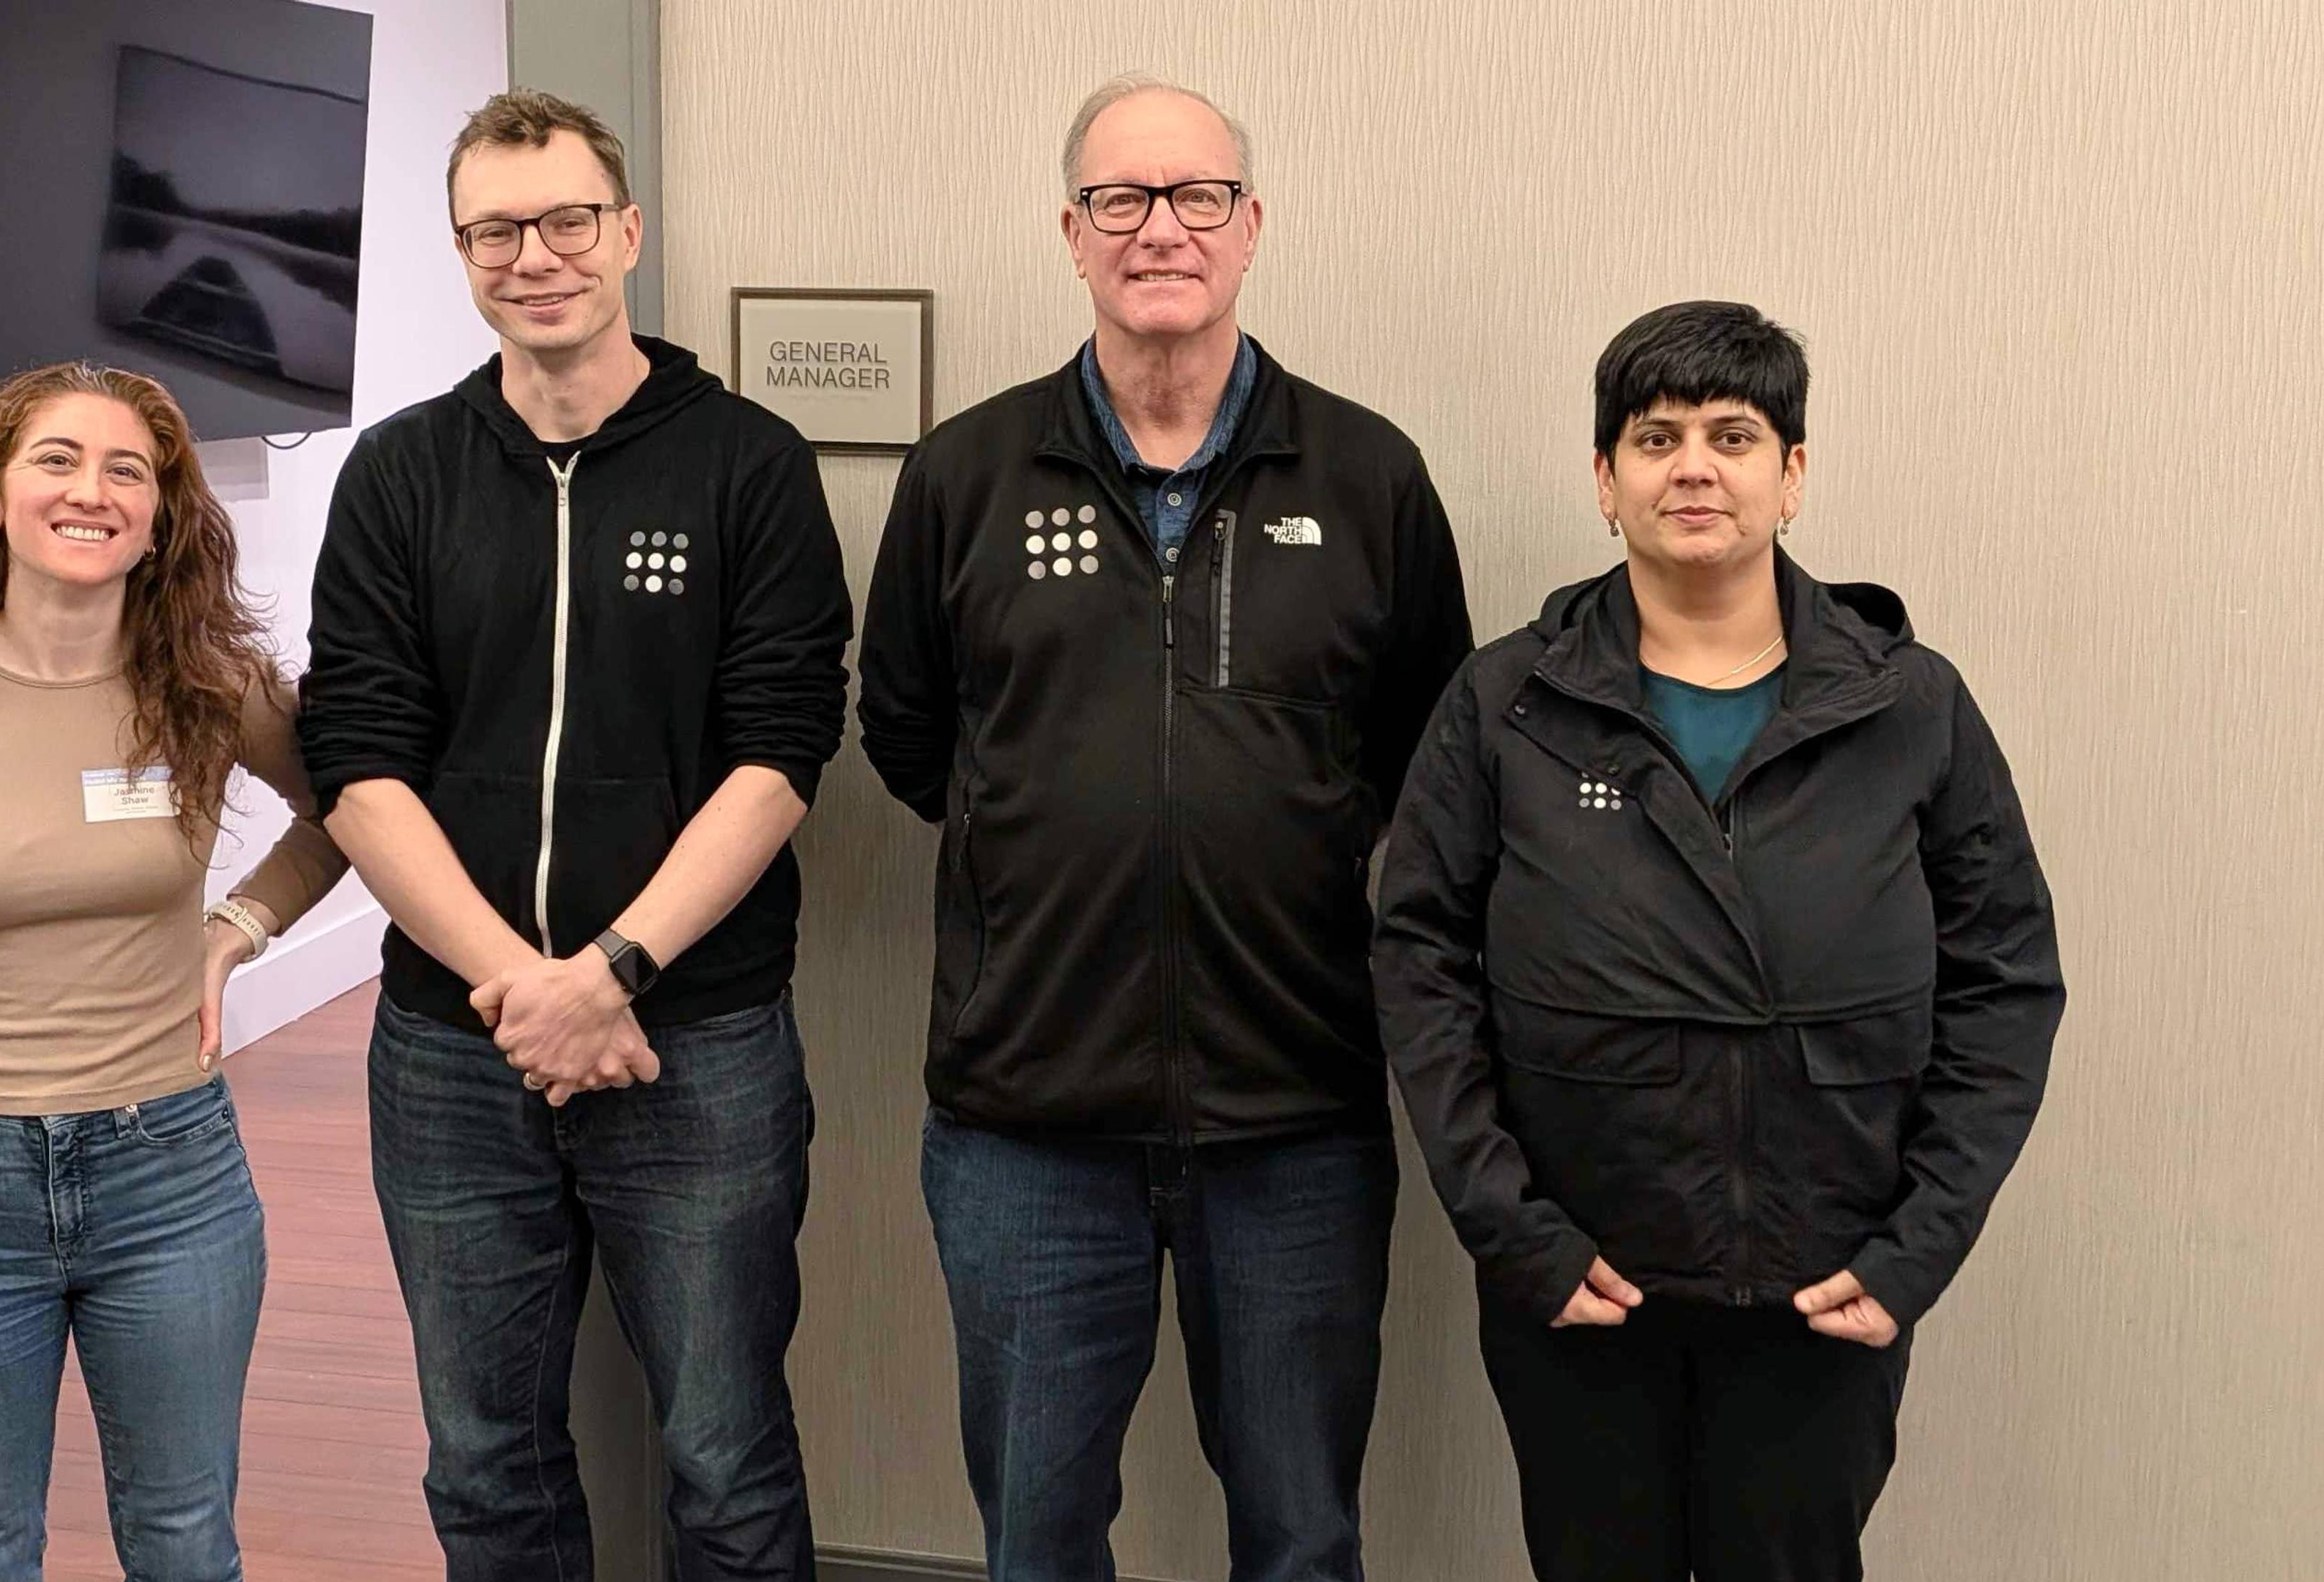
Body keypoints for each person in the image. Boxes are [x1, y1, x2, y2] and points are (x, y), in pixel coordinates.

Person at [855, 75, 1473, 1580]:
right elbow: (913, 739)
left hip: (1296, 1119)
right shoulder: (966, 473)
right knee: (1037, 1533)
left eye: (1197, 197)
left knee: (1301, 1534)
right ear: (1073, 234)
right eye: (1122, 200)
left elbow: (1426, 750)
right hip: (1024, 1123)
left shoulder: (1369, 474)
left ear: (1250, 226)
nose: (1161, 230)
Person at [1374, 300, 2066, 1581]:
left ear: (1792, 476)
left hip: (1826, 1280)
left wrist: (1916, 1247)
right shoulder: (1507, 701)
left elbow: (2008, 981)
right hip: (1584, 1278)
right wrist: (1514, 1232)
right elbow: (1418, 963)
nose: (1694, 466)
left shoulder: (1910, 704)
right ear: (1605, 479)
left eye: (1734, 435)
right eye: (1656, 437)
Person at [296, 89, 851, 1578]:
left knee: (728, 1462)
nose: (531, 256)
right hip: (450, 1056)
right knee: (482, 1465)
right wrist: (517, 988)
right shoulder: (402, 475)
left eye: (562, 221)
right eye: (494, 228)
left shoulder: (749, 464)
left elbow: (783, 750)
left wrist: (609, 969)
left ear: (626, 233)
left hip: (699, 1041)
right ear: (462, 247)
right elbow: (354, 758)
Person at [0, 360, 349, 1579]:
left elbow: (346, 821)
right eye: (56, 459)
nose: (90, 490)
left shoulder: (210, 691)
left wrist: (239, 929)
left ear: (159, 518)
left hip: (171, 1177)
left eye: (128, 470)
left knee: (181, 1536)